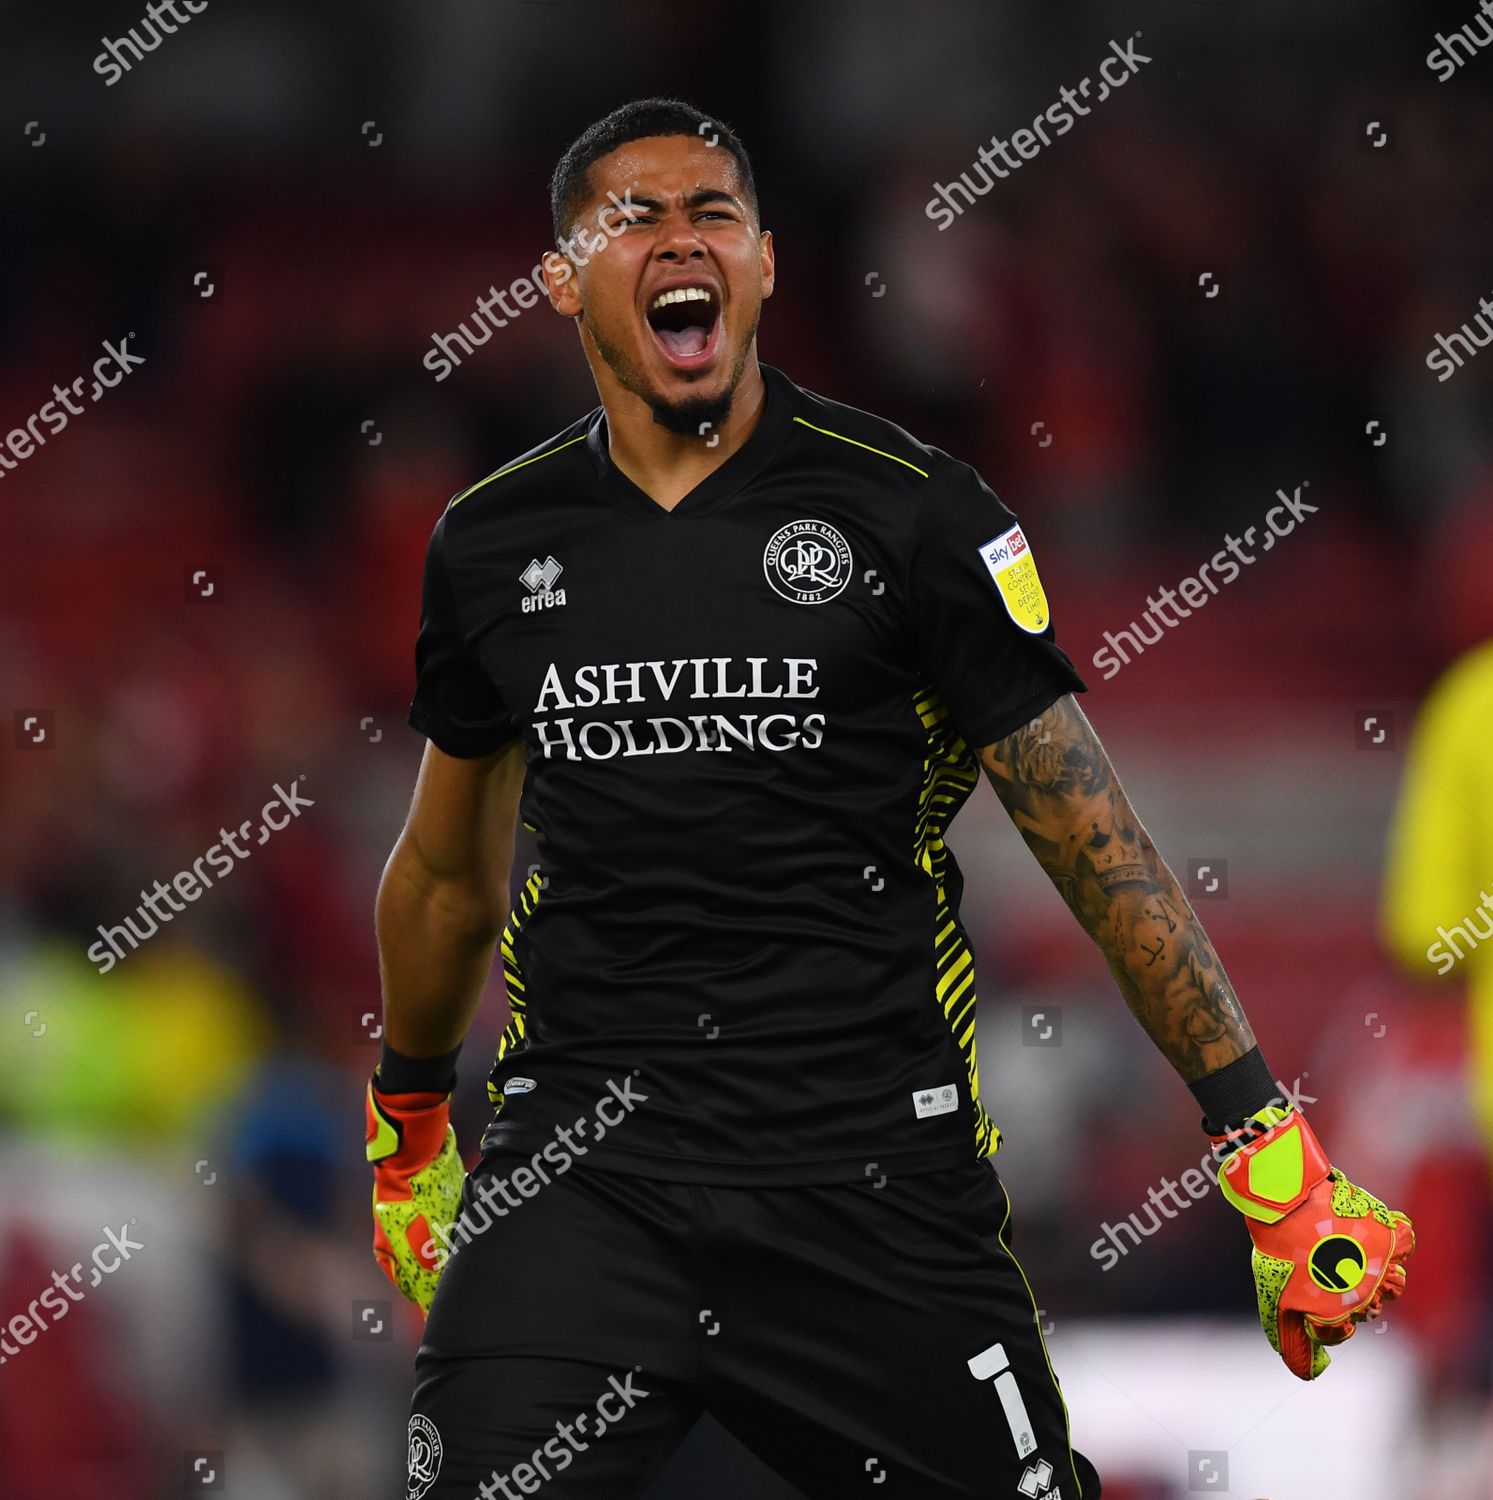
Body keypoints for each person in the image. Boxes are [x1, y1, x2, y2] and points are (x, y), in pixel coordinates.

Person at [366, 98, 1414, 1500]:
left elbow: (1092, 843)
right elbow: (445, 876)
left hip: (863, 1186)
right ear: (563, 278)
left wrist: (1259, 1145)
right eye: (635, 218)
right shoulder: (492, 543)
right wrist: (411, 1129)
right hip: (583, 1184)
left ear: (765, 263)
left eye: (713, 214)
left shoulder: (912, 512)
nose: (682, 243)